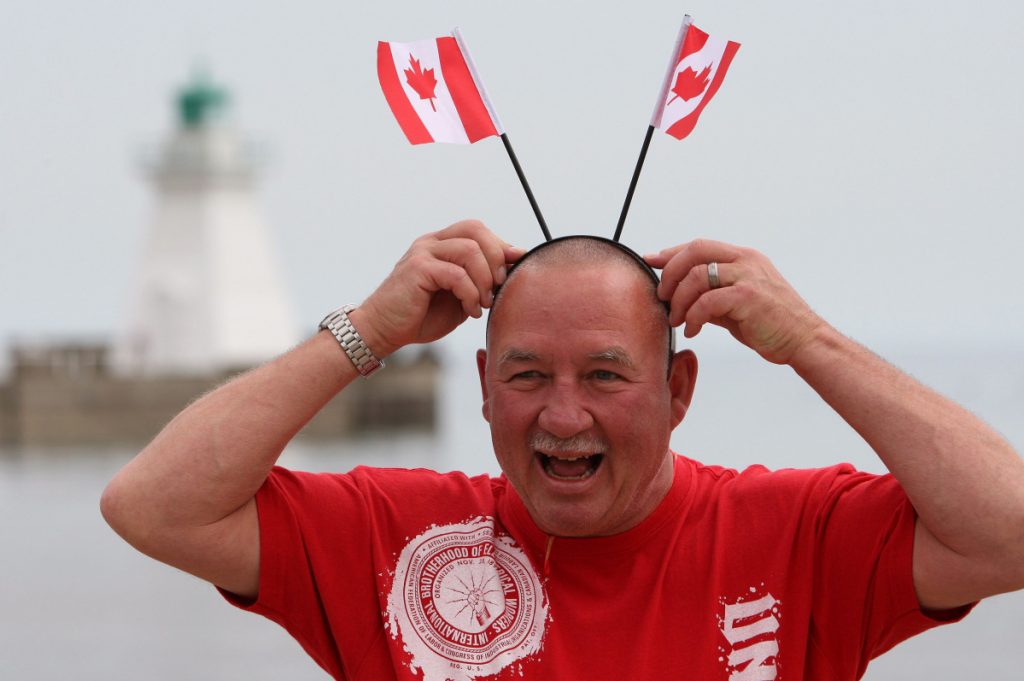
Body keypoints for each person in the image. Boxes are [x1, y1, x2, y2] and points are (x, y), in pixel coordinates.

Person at [101, 219, 1024, 680]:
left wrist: (811, 341)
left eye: (608, 375)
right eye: (529, 374)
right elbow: (152, 505)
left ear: (679, 394)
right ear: (484, 388)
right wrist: (367, 331)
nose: (564, 416)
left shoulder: (798, 533)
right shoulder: (393, 538)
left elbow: (1008, 531)